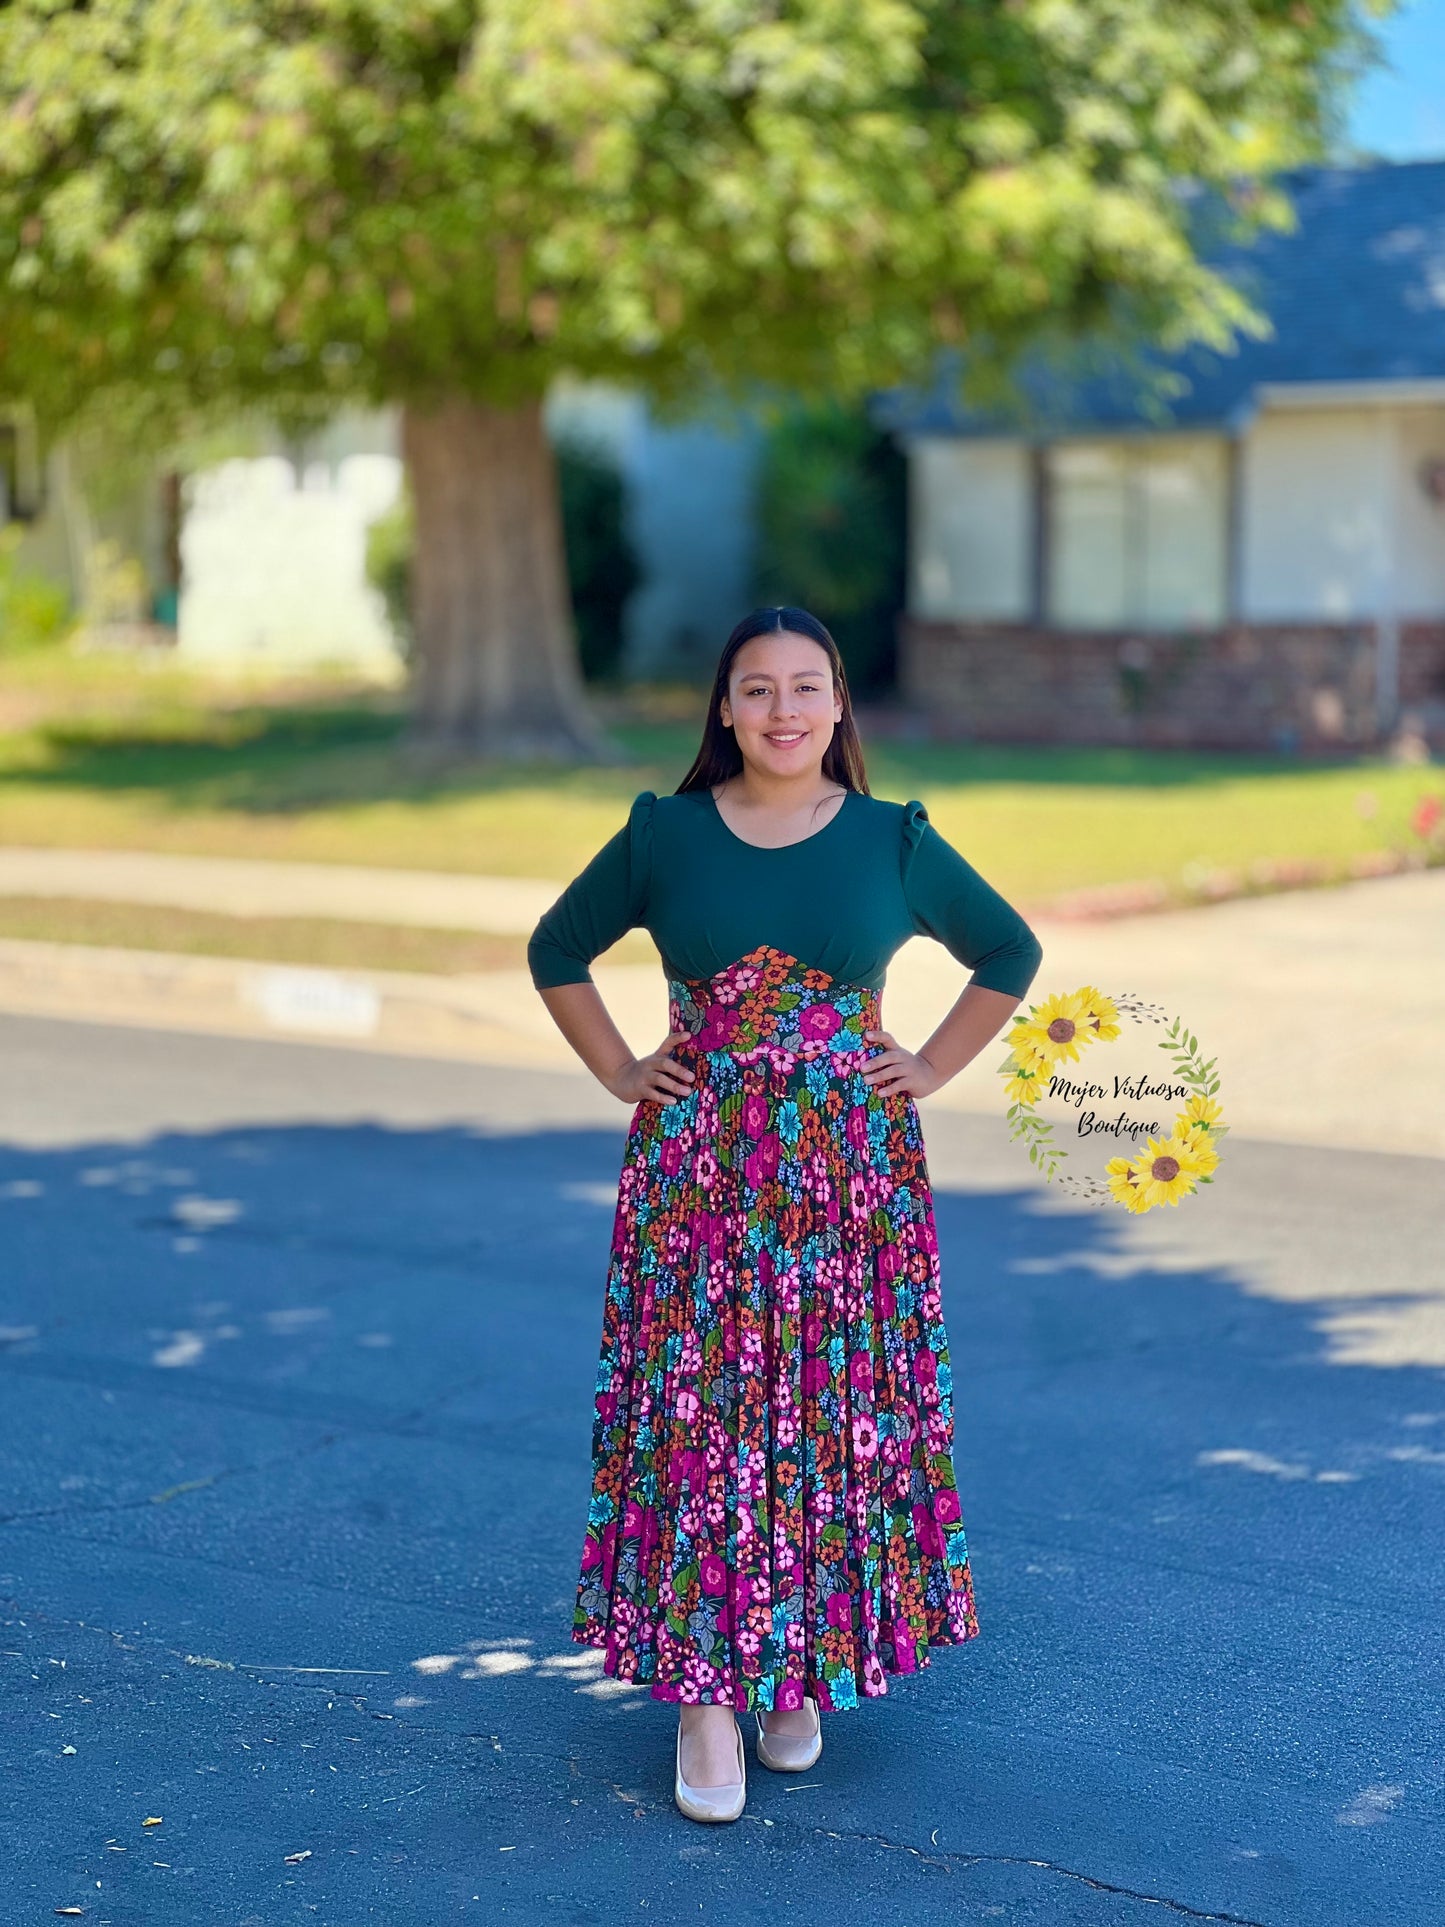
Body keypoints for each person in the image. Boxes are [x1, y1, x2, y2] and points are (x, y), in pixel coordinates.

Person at [527, 605, 1044, 1823]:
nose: (781, 710)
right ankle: (705, 1696)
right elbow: (557, 945)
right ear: (723, 708)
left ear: (837, 705)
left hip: (844, 1177)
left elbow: (1007, 950)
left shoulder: (889, 839)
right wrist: (616, 1067)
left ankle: (789, 1661)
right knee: (705, 1416)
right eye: (755, 689)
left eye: (805, 687)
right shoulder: (664, 834)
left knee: (819, 1414)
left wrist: (925, 1066)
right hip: (696, 1173)